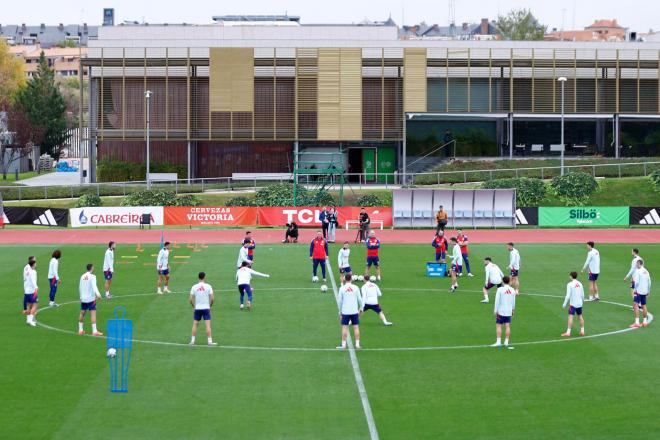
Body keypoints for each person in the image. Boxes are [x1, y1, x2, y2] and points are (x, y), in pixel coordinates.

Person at [189, 272, 217, 346]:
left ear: (198, 277)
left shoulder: (194, 287)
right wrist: (210, 306)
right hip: (206, 308)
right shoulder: (208, 286)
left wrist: (194, 307)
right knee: (207, 325)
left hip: (197, 308)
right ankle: (210, 341)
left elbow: (190, 300)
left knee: (195, 324)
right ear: (204, 277)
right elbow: (213, 299)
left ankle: (192, 341)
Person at [337, 273, 364, 349]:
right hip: (354, 311)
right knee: (356, 327)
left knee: (345, 328)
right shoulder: (356, 287)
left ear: (345, 279)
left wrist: (340, 311)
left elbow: (340, 301)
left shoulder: (342, 288)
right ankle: (357, 344)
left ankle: (343, 345)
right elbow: (359, 299)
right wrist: (361, 308)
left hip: (345, 311)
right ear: (351, 279)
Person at [78, 263, 103, 336]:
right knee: (93, 313)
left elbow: (80, 287)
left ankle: (80, 330)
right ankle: (94, 331)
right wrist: (98, 294)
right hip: (91, 299)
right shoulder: (93, 276)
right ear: (92, 268)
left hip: (83, 298)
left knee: (82, 313)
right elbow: (94, 286)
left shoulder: (82, 276)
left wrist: (80, 297)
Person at [491, 276, 516, 348]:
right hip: (509, 311)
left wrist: (495, 310)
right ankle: (506, 342)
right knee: (507, 326)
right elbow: (514, 301)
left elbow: (497, 300)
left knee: (499, 325)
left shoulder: (500, 289)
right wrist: (513, 310)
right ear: (509, 281)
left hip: (501, 311)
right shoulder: (512, 290)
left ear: (503, 281)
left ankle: (498, 342)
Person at [561, 272, 585, 337]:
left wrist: (564, 304)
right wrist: (583, 301)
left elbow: (568, 295)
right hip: (579, 304)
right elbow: (582, 294)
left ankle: (568, 332)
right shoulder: (580, 283)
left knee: (570, 317)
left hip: (573, 304)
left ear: (571, 276)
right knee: (580, 316)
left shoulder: (569, 284)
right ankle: (582, 331)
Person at [630, 259, 651, 328]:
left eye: (636, 264)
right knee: (644, 305)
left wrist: (635, 290)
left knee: (635, 305)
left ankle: (637, 322)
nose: (636, 265)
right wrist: (648, 291)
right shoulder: (646, 271)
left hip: (639, 291)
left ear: (639, 264)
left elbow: (637, 282)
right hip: (644, 291)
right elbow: (649, 282)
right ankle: (645, 322)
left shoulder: (638, 271)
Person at [23, 258, 38, 327]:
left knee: (29, 305)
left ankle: (28, 320)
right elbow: (33, 281)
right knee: (35, 305)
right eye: (35, 264)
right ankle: (30, 321)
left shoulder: (27, 270)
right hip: (32, 291)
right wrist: (36, 288)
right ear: (33, 265)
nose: (36, 265)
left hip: (26, 291)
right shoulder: (33, 272)